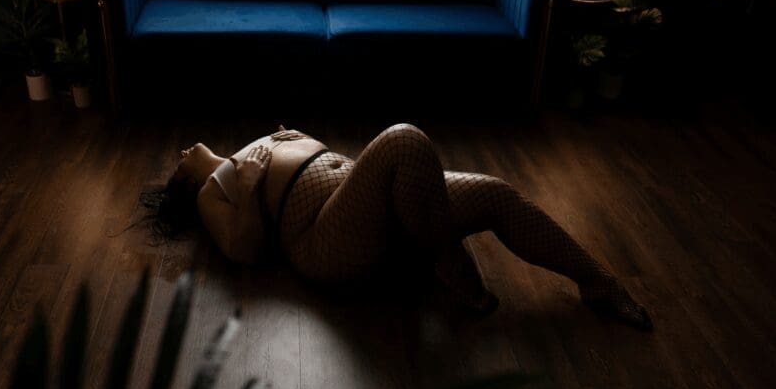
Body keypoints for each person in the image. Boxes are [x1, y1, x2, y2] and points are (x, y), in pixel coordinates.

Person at [142, 123, 652, 331]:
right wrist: (250, 184)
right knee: (405, 139)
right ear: (184, 184)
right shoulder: (213, 189)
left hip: (367, 211)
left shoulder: (252, 144)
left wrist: (285, 140)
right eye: (178, 164)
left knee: (494, 192)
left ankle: (597, 280)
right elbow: (242, 250)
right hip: (324, 242)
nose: (184, 154)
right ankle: (448, 259)